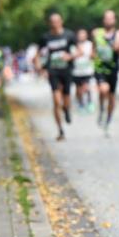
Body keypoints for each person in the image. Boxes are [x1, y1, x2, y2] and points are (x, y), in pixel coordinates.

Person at [34, 13, 77, 141]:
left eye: (57, 21)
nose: (55, 24)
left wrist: (70, 56)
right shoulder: (45, 37)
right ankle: (60, 130)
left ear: (61, 21)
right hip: (53, 71)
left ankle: (66, 109)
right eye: (52, 21)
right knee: (56, 101)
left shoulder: (69, 35)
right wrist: (39, 67)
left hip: (66, 70)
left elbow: (80, 51)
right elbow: (37, 55)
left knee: (66, 99)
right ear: (49, 23)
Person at [92, 10, 119, 136]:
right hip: (100, 68)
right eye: (106, 18)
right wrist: (93, 56)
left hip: (113, 69)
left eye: (111, 18)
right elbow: (93, 49)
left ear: (115, 20)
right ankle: (102, 109)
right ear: (103, 20)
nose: (108, 21)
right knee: (103, 90)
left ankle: (108, 120)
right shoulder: (96, 33)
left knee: (112, 97)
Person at [72, 28, 96, 113]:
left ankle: (90, 102)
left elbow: (94, 55)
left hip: (87, 70)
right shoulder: (73, 45)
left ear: (86, 36)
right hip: (76, 71)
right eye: (80, 34)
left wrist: (91, 55)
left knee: (86, 87)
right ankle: (81, 103)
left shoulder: (90, 44)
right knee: (79, 89)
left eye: (83, 34)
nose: (81, 36)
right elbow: (71, 56)